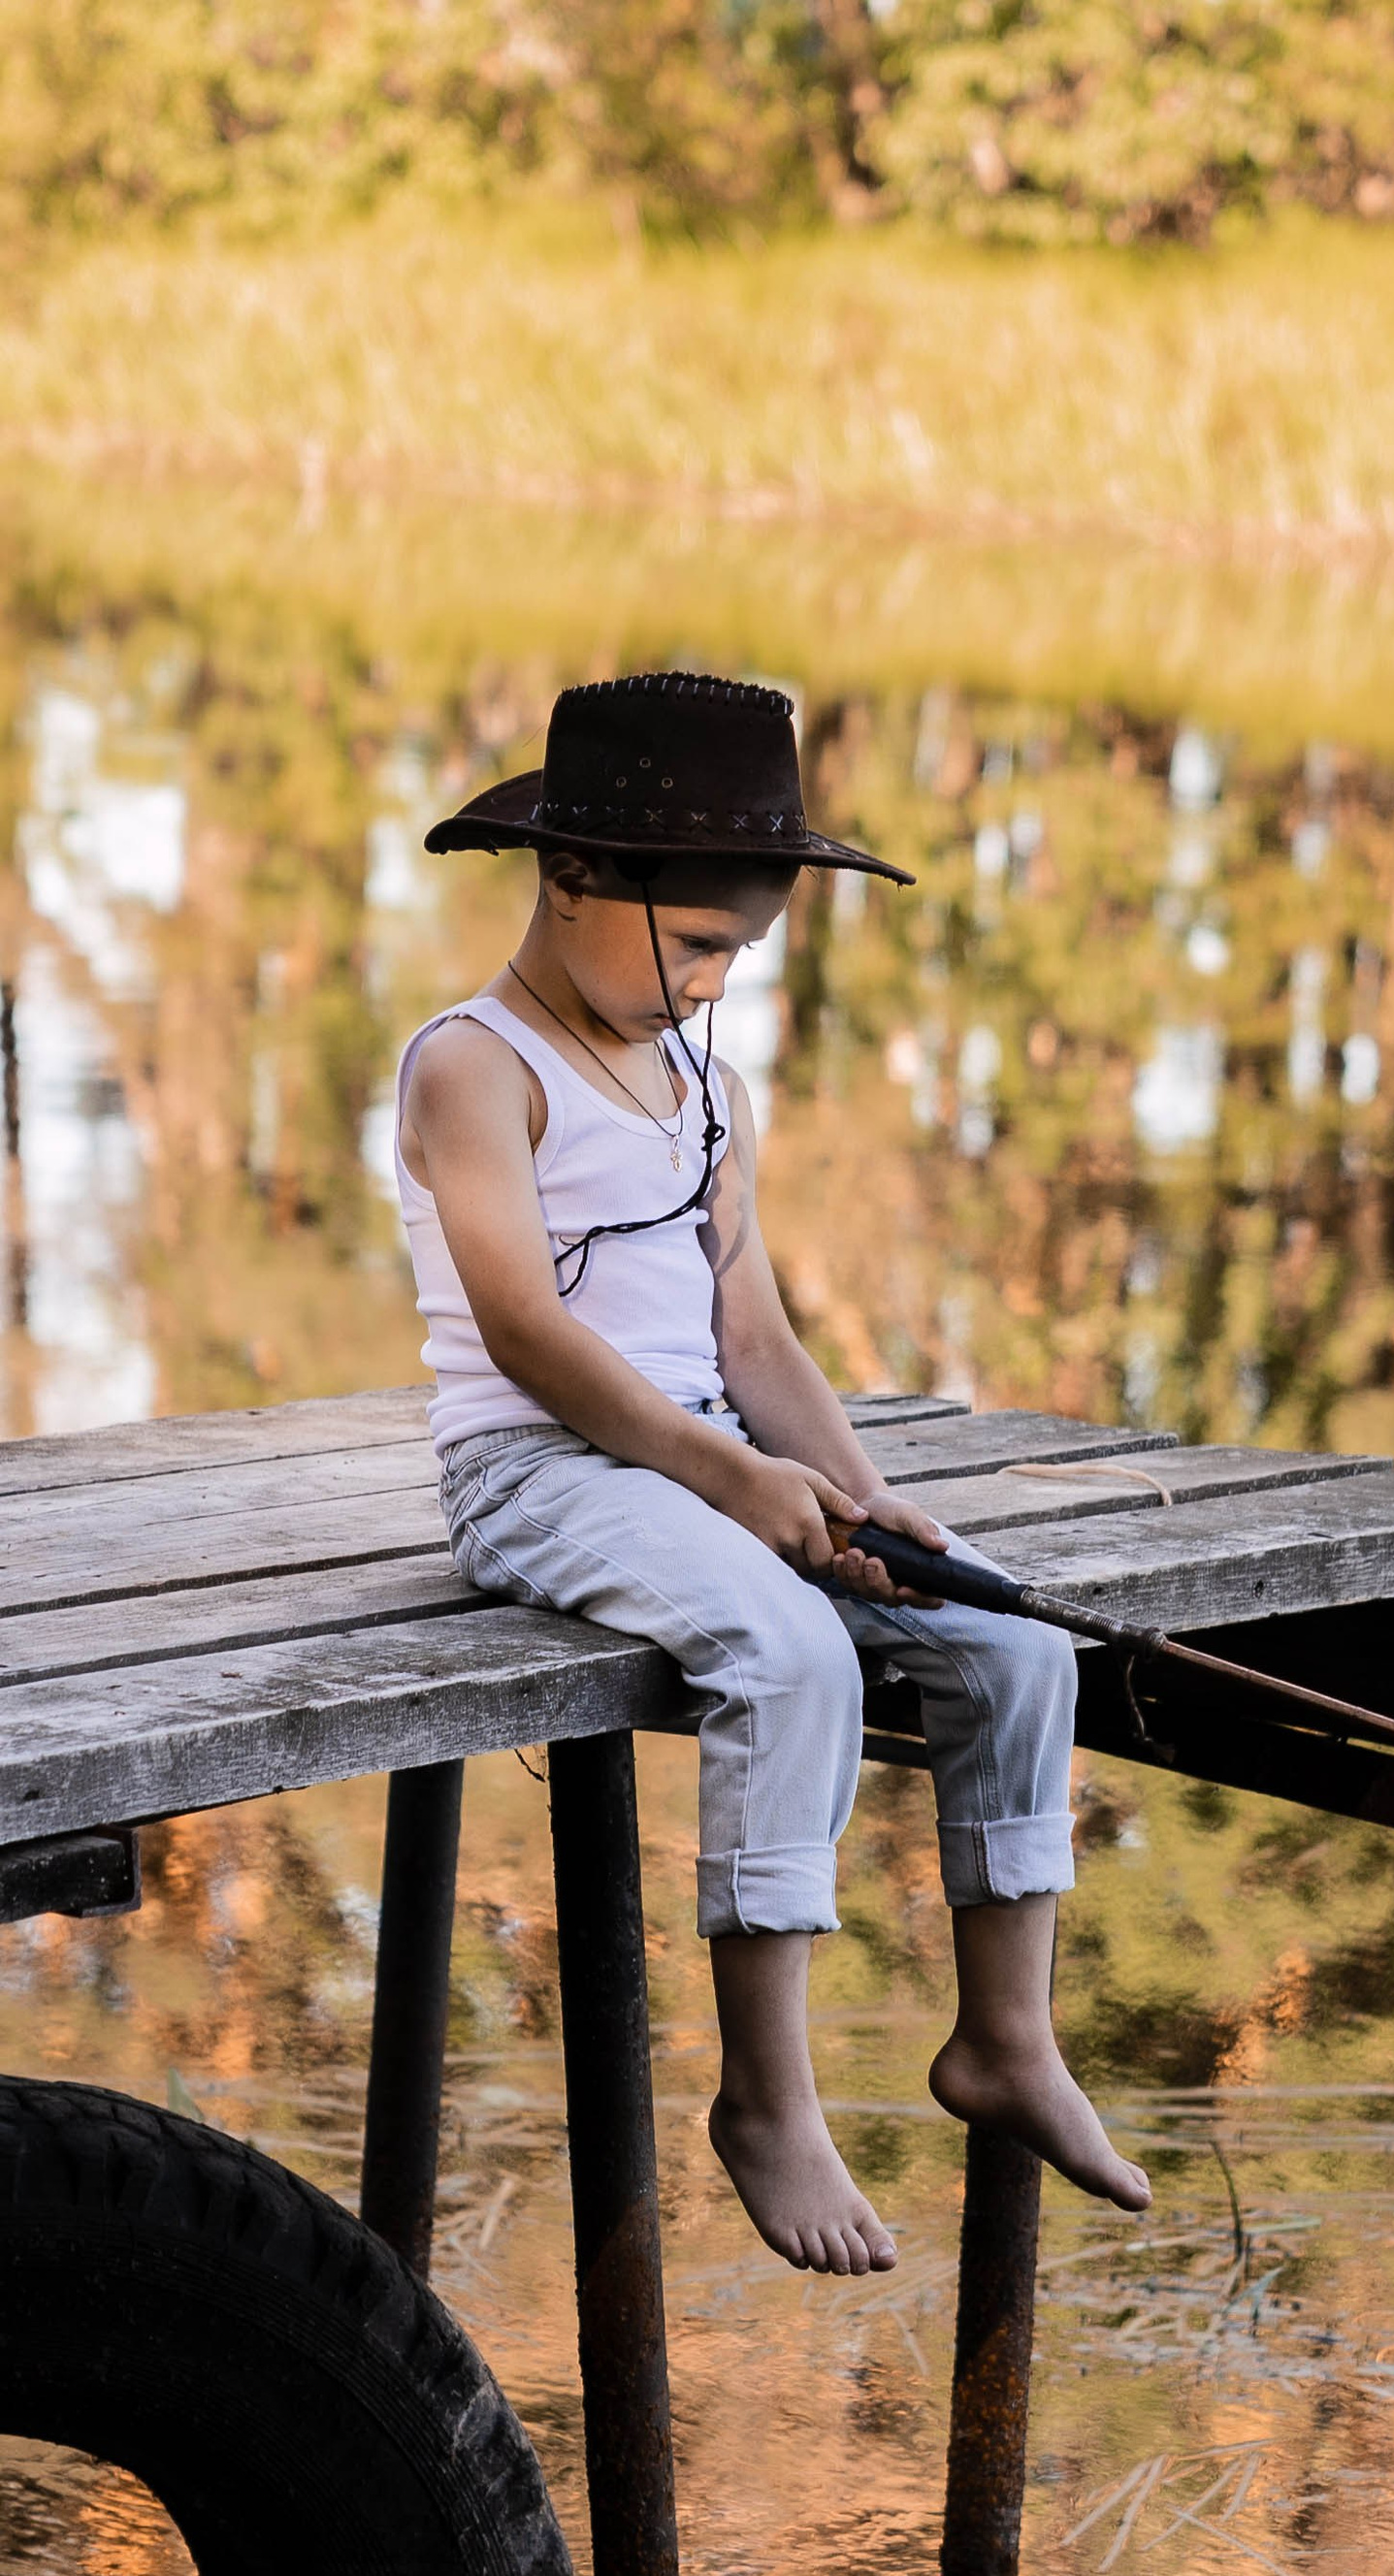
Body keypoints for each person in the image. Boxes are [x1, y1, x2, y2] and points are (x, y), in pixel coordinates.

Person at [396, 669, 1149, 2275]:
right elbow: (524, 1331)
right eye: (696, 946)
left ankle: (1005, 2040)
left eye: (741, 952)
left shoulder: (710, 1086)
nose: (715, 982)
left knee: (1015, 1640)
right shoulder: (476, 1067)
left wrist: (854, 1494)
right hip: (542, 1470)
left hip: (699, 1463)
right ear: (573, 874)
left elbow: (759, 1341)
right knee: (789, 1651)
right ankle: (766, 2099)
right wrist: (732, 1488)